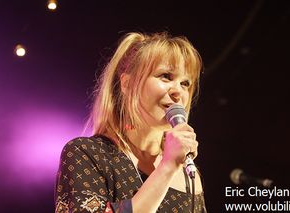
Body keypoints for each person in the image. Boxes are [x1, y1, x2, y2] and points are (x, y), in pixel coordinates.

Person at [55, 31, 207, 212]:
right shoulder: (88, 154)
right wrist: (167, 167)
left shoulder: (187, 171)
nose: (178, 92)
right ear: (127, 84)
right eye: (166, 76)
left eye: (185, 83)